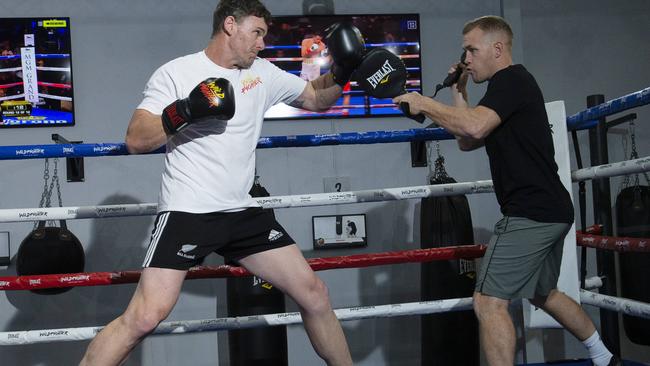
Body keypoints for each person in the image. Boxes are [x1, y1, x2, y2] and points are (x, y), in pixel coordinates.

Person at [79, 1, 365, 365]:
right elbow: (136, 139)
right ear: (230, 25)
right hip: (189, 210)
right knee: (145, 316)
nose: (262, 44)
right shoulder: (177, 73)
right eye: (257, 33)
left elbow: (316, 98)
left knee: (315, 294)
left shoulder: (262, 72)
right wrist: (184, 110)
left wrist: (343, 70)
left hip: (242, 210)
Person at [394, 15, 619, 366]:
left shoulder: (512, 80)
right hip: (552, 210)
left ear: (497, 49)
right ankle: (604, 357)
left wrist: (424, 103)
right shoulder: (505, 91)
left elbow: (476, 126)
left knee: (487, 301)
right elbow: (469, 140)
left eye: (472, 49)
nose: (465, 58)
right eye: (464, 51)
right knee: (544, 293)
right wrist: (458, 93)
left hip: (529, 213)